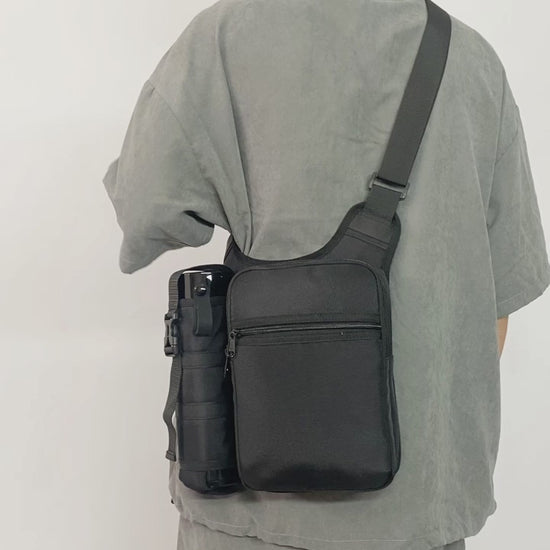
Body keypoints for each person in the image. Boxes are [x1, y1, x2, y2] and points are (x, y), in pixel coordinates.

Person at [101, 0, 550, 549]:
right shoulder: (473, 61)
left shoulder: (223, 38)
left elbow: (145, 213)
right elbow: (494, 311)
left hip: (254, 511)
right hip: (419, 521)